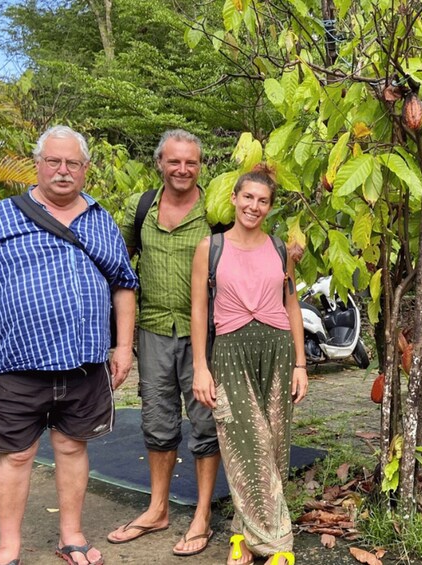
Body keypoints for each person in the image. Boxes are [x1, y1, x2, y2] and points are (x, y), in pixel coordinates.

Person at [0, 125, 138, 565]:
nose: (63, 170)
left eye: (73, 163)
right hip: (18, 363)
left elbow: (124, 286)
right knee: (17, 455)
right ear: (37, 164)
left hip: (84, 364)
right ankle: (8, 548)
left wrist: (123, 346)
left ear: (85, 169)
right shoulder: (1, 217)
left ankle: (71, 537)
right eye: (54, 161)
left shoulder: (100, 219)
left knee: (73, 447)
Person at [104, 130, 221, 556]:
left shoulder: (218, 209)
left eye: (191, 162)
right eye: (175, 162)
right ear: (160, 163)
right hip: (153, 329)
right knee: (157, 419)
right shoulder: (142, 208)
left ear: (200, 165)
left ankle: (203, 515)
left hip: (204, 335)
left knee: (206, 422)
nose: (183, 169)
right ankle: (157, 509)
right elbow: (119, 264)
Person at [190, 164, 309, 565]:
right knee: (245, 444)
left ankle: (242, 536)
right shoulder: (212, 247)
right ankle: (278, 546)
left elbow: (290, 303)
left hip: (276, 353)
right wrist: (201, 369)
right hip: (230, 355)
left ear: (269, 207)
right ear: (234, 199)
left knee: (273, 447)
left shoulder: (278, 248)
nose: (253, 206)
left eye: (262, 201)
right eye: (248, 198)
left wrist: (300, 363)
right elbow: (198, 309)